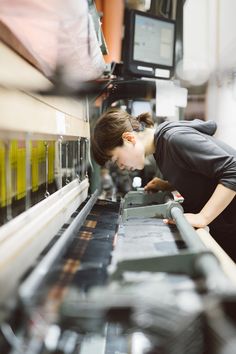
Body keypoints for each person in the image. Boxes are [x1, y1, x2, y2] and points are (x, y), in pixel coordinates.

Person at [91, 108, 236, 261]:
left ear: (128, 139)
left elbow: (233, 169)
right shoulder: (160, 149)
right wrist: (168, 185)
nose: (121, 167)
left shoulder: (173, 139)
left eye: (116, 160)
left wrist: (203, 217)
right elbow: (203, 175)